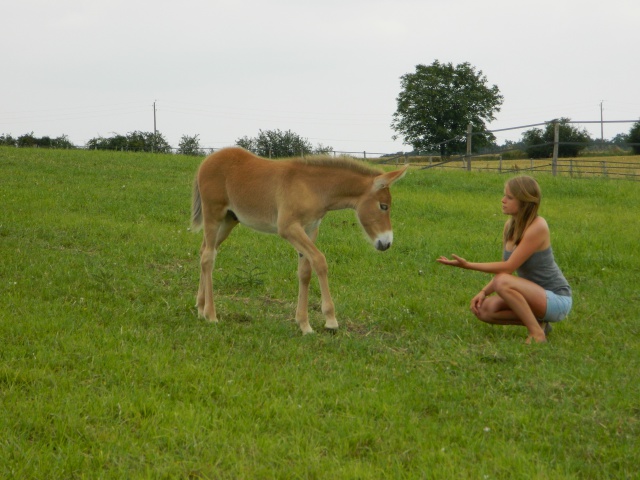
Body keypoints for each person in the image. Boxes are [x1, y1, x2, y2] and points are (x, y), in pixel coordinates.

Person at [437, 175, 572, 344]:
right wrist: (483, 292)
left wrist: (468, 265)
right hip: (532, 295)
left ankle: (537, 334)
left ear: (524, 201)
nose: (503, 200)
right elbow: (503, 270)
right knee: (484, 310)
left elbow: (508, 268)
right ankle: (540, 323)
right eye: (504, 195)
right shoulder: (510, 226)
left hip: (556, 299)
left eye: (509, 197)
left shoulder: (538, 226)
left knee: (502, 281)